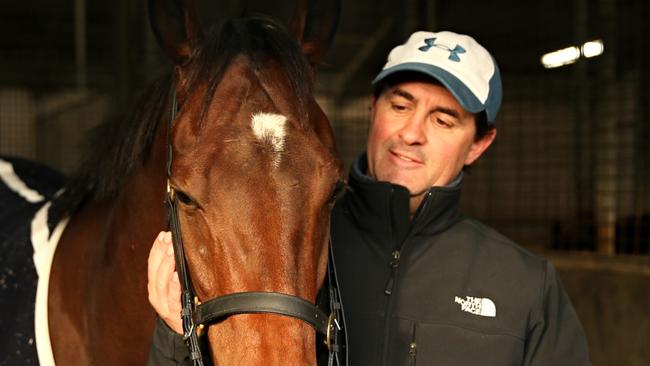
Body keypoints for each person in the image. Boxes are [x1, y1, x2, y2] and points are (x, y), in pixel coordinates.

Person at [147, 30, 591, 365]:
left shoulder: (526, 285)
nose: (411, 134)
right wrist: (174, 335)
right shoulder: (291, 240)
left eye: (443, 120)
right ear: (372, 108)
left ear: (479, 143)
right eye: (400, 106)